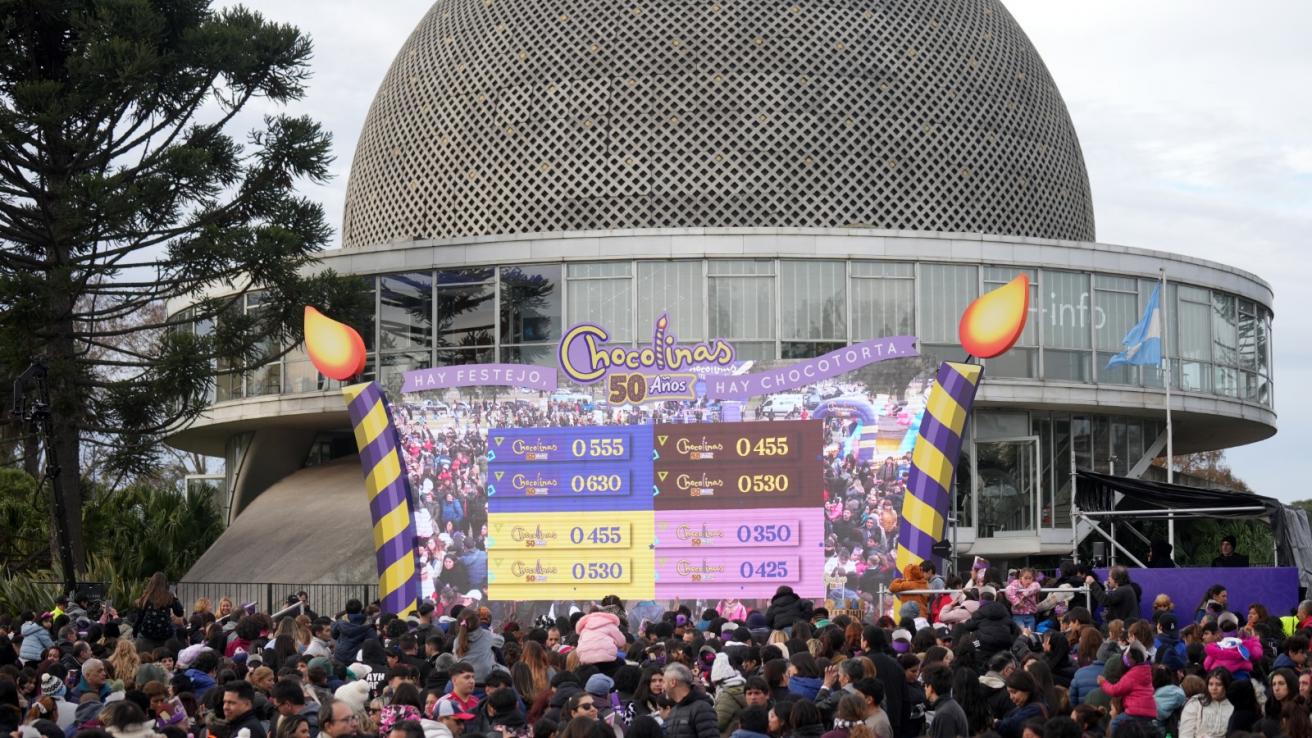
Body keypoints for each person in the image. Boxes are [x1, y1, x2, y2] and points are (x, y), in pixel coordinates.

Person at [662, 663, 717, 738]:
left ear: (673, 682)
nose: (662, 687)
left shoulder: (702, 709)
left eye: (664, 682)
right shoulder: (673, 711)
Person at [133, 573, 183, 650]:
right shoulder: (169, 596)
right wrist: (175, 597)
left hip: (147, 635)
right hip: (165, 634)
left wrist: (135, 633)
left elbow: (140, 617)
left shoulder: (146, 597)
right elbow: (179, 613)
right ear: (165, 583)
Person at [1179, 669, 1233, 738]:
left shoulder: (1234, 705)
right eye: (1211, 684)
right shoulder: (1196, 703)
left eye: (1219, 684)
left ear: (1226, 685)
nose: (1214, 688)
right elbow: (1186, 733)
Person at [996, 671, 1047, 738]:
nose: (1011, 697)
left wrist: (995, 723)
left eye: (1014, 692)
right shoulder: (1024, 705)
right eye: (1009, 693)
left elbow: (1010, 726)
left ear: (1026, 689)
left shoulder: (1036, 709)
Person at [921, 664, 967, 738]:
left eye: (925, 685)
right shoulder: (949, 706)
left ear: (930, 687)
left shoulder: (944, 714)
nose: (924, 688)